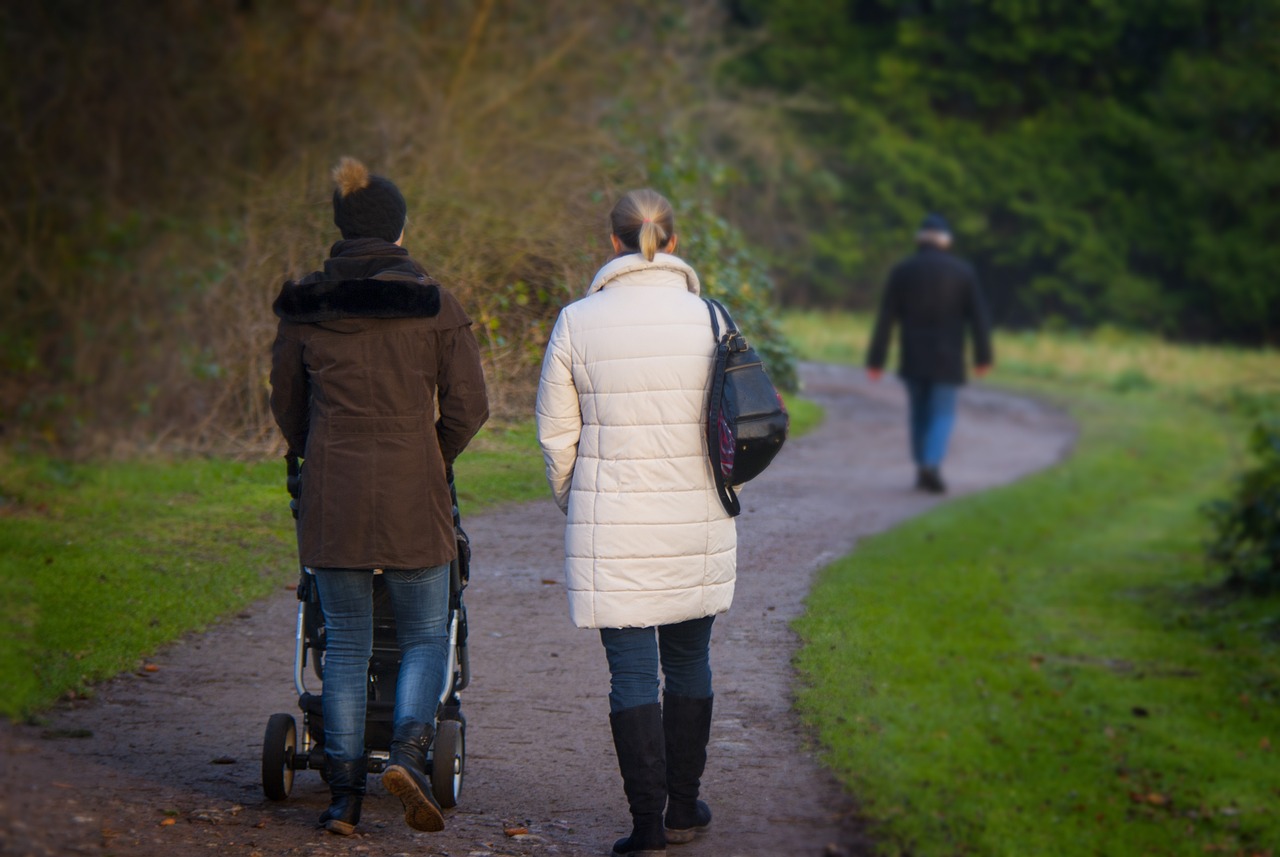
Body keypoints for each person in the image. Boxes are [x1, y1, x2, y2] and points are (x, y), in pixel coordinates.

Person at [269, 157, 489, 837]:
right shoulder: (433, 302)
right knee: (426, 632)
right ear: (400, 231)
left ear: (340, 228)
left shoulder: (305, 306)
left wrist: (320, 451)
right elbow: (469, 407)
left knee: (346, 644)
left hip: (333, 491)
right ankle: (408, 755)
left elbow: (287, 407)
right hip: (411, 489)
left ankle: (342, 796)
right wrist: (431, 455)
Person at [535, 189, 734, 857]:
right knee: (689, 659)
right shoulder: (712, 319)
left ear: (614, 243)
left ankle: (646, 825)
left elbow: (556, 436)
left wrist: (578, 498)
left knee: (630, 674)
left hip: (613, 520)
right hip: (696, 514)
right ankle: (683, 807)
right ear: (672, 243)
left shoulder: (575, 320)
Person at [866, 212, 994, 493]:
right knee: (943, 412)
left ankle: (923, 463)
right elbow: (979, 317)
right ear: (946, 241)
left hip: (913, 355)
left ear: (920, 240)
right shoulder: (963, 272)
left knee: (919, 413)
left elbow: (887, 317)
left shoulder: (903, 271)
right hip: (948, 357)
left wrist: (876, 360)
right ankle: (931, 464)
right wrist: (983, 356)